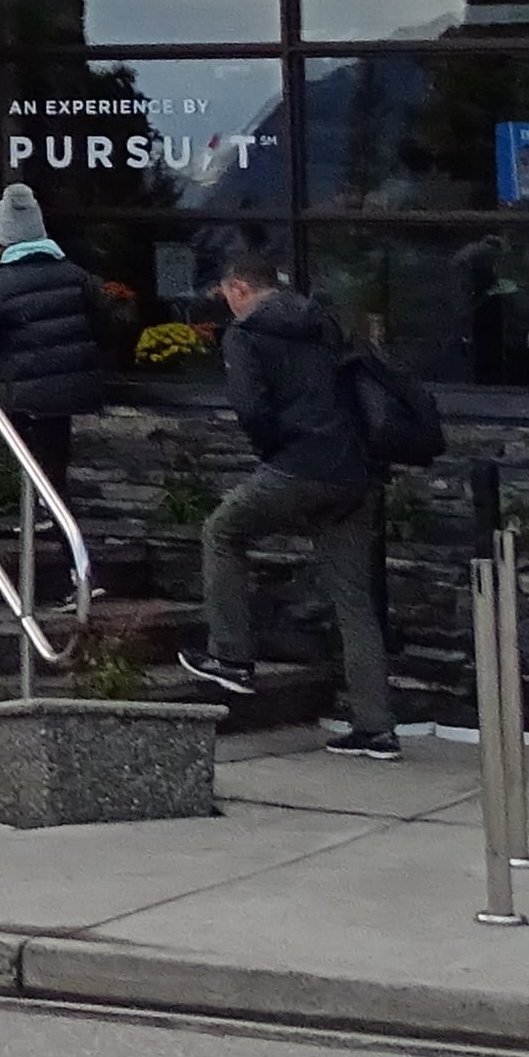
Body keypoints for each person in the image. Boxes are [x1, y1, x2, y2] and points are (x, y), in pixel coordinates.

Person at [177, 251, 399, 758]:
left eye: (226, 297)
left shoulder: (245, 335)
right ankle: (377, 727)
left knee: (222, 532)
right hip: (354, 469)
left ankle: (231, 655)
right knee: (354, 601)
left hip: (299, 463)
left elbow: (251, 408)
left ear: (237, 289)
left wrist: (273, 452)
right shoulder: (322, 320)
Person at [0, 182, 114, 501]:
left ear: (4, 234)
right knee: (55, 460)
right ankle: (56, 524)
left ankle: (40, 520)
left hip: (22, 392)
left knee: (31, 458)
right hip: (70, 388)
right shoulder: (76, 275)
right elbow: (107, 324)